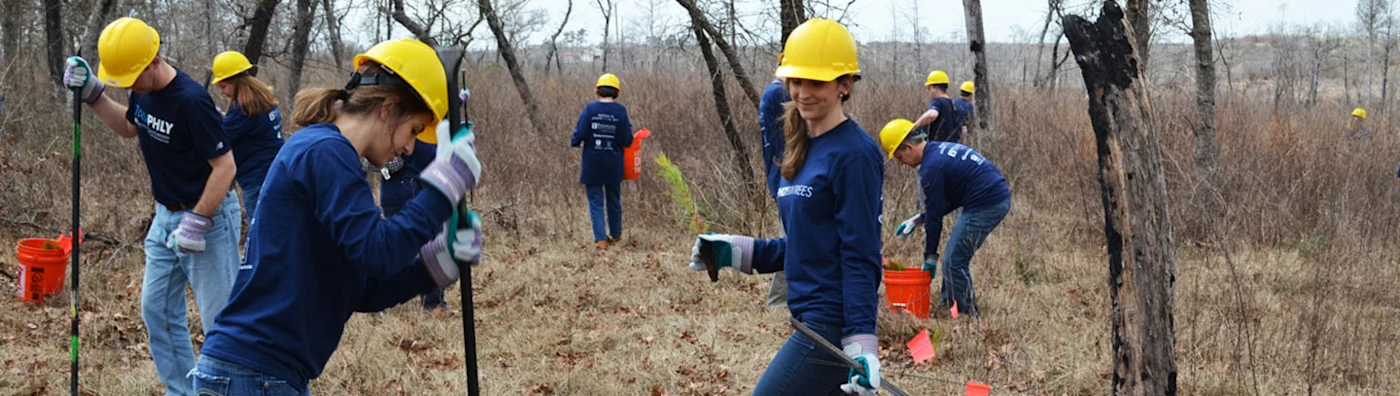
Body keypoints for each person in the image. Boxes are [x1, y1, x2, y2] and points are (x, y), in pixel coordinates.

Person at [192, 38, 483, 394]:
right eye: (414, 131)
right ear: (389, 108)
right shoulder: (324, 151)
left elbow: (361, 290)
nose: (409, 148)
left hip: (260, 373)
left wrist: (434, 266)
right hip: (252, 375)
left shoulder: (331, 155)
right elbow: (379, 253)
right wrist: (443, 187)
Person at [687, 18, 884, 395]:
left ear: (844, 84)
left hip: (831, 322)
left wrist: (862, 344)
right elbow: (805, 244)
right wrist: (733, 250)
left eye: (816, 82)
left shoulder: (855, 154)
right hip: (806, 314)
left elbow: (860, 254)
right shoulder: (802, 146)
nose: (803, 92)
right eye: (796, 81)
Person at [63, 17, 242, 395]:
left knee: (220, 324)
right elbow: (130, 127)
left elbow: (225, 167)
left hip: (207, 219)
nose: (126, 86)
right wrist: (93, 93)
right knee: (157, 311)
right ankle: (183, 390)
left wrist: (198, 220)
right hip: (165, 217)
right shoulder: (142, 91)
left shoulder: (192, 101)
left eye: (130, 77)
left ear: (154, 61)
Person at [882, 118, 1010, 317]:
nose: (902, 164)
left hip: (988, 203)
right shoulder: (937, 150)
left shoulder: (931, 168)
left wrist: (930, 258)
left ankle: (967, 315)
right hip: (990, 196)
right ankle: (949, 303)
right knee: (953, 254)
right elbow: (949, 199)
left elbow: (936, 219)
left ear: (908, 147)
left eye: (900, 157)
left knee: (953, 260)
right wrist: (919, 219)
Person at [211, 50, 283, 219]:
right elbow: (241, 127)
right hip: (275, 172)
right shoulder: (263, 100)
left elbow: (221, 140)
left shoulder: (243, 109)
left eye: (223, 86)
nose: (222, 92)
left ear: (237, 82)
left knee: (260, 234)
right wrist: (221, 115)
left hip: (257, 181)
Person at [571, 73, 633, 250]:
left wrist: (575, 141)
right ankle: (616, 235)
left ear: (597, 89)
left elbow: (580, 133)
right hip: (614, 163)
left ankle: (600, 240)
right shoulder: (621, 111)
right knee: (614, 199)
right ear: (617, 92)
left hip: (593, 164)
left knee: (596, 201)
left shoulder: (590, 109)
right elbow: (627, 139)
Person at [759, 75, 791, 310]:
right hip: (787, 177)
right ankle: (779, 301)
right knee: (792, 241)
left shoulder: (771, 92)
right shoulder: (779, 94)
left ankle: (782, 300)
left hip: (781, 177)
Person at [912, 70, 961, 143]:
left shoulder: (937, 102)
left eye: (929, 88)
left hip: (938, 147)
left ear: (936, 87)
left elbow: (932, 114)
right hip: (952, 147)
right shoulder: (953, 104)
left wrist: (914, 126)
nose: (928, 91)